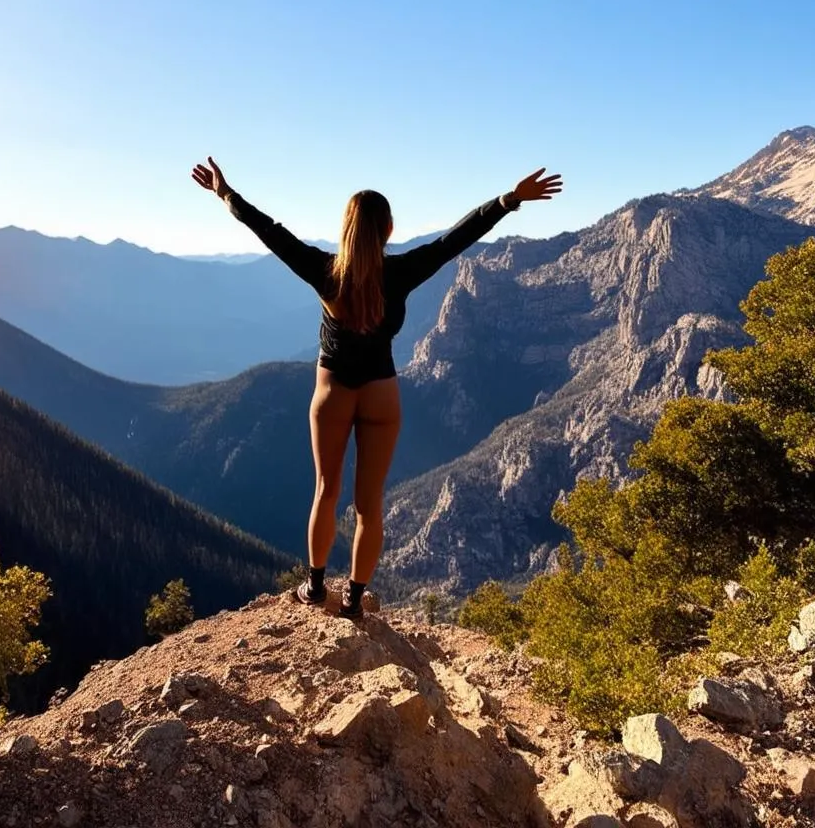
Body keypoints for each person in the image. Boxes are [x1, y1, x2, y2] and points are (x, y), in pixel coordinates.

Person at [191, 157, 563, 618]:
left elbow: (267, 230)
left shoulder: (323, 270)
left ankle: (314, 587)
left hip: (331, 393)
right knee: (369, 504)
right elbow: (455, 239)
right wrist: (509, 200)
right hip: (382, 395)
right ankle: (352, 598)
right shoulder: (401, 272)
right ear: (388, 230)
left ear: (345, 229)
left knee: (326, 491)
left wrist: (225, 194)